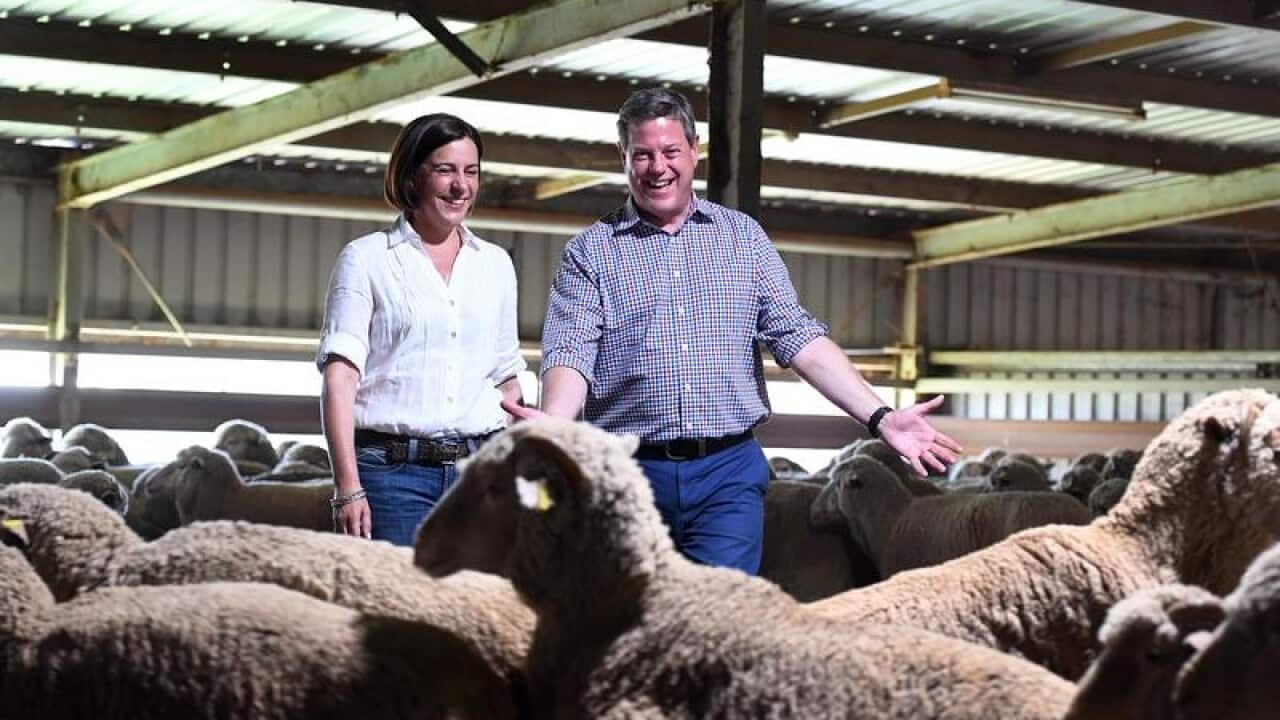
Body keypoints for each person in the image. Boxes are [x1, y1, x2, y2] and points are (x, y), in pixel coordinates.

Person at [505, 88, 960, 574]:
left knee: (720, 611)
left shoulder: (742, 238)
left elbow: (799, 337)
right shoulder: (591, 252)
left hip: (726, 474)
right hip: (627, 471)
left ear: (694, 150)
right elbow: (571, 351)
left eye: (670, 151)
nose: (658, 167)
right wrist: (554, 425)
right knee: (629, 611)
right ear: (623, 157)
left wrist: (881, 417)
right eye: (642, 155)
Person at [317, 113, 525, 546]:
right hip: (391, 476)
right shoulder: (367, 259)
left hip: (480, 473)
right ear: (412, 175)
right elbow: (340, 379)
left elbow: (506, 378)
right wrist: (347, 487)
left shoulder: (495, 264)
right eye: (445, 170)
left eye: (471, 172)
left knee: (482, 590)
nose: (460, 185)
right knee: (398, 591)